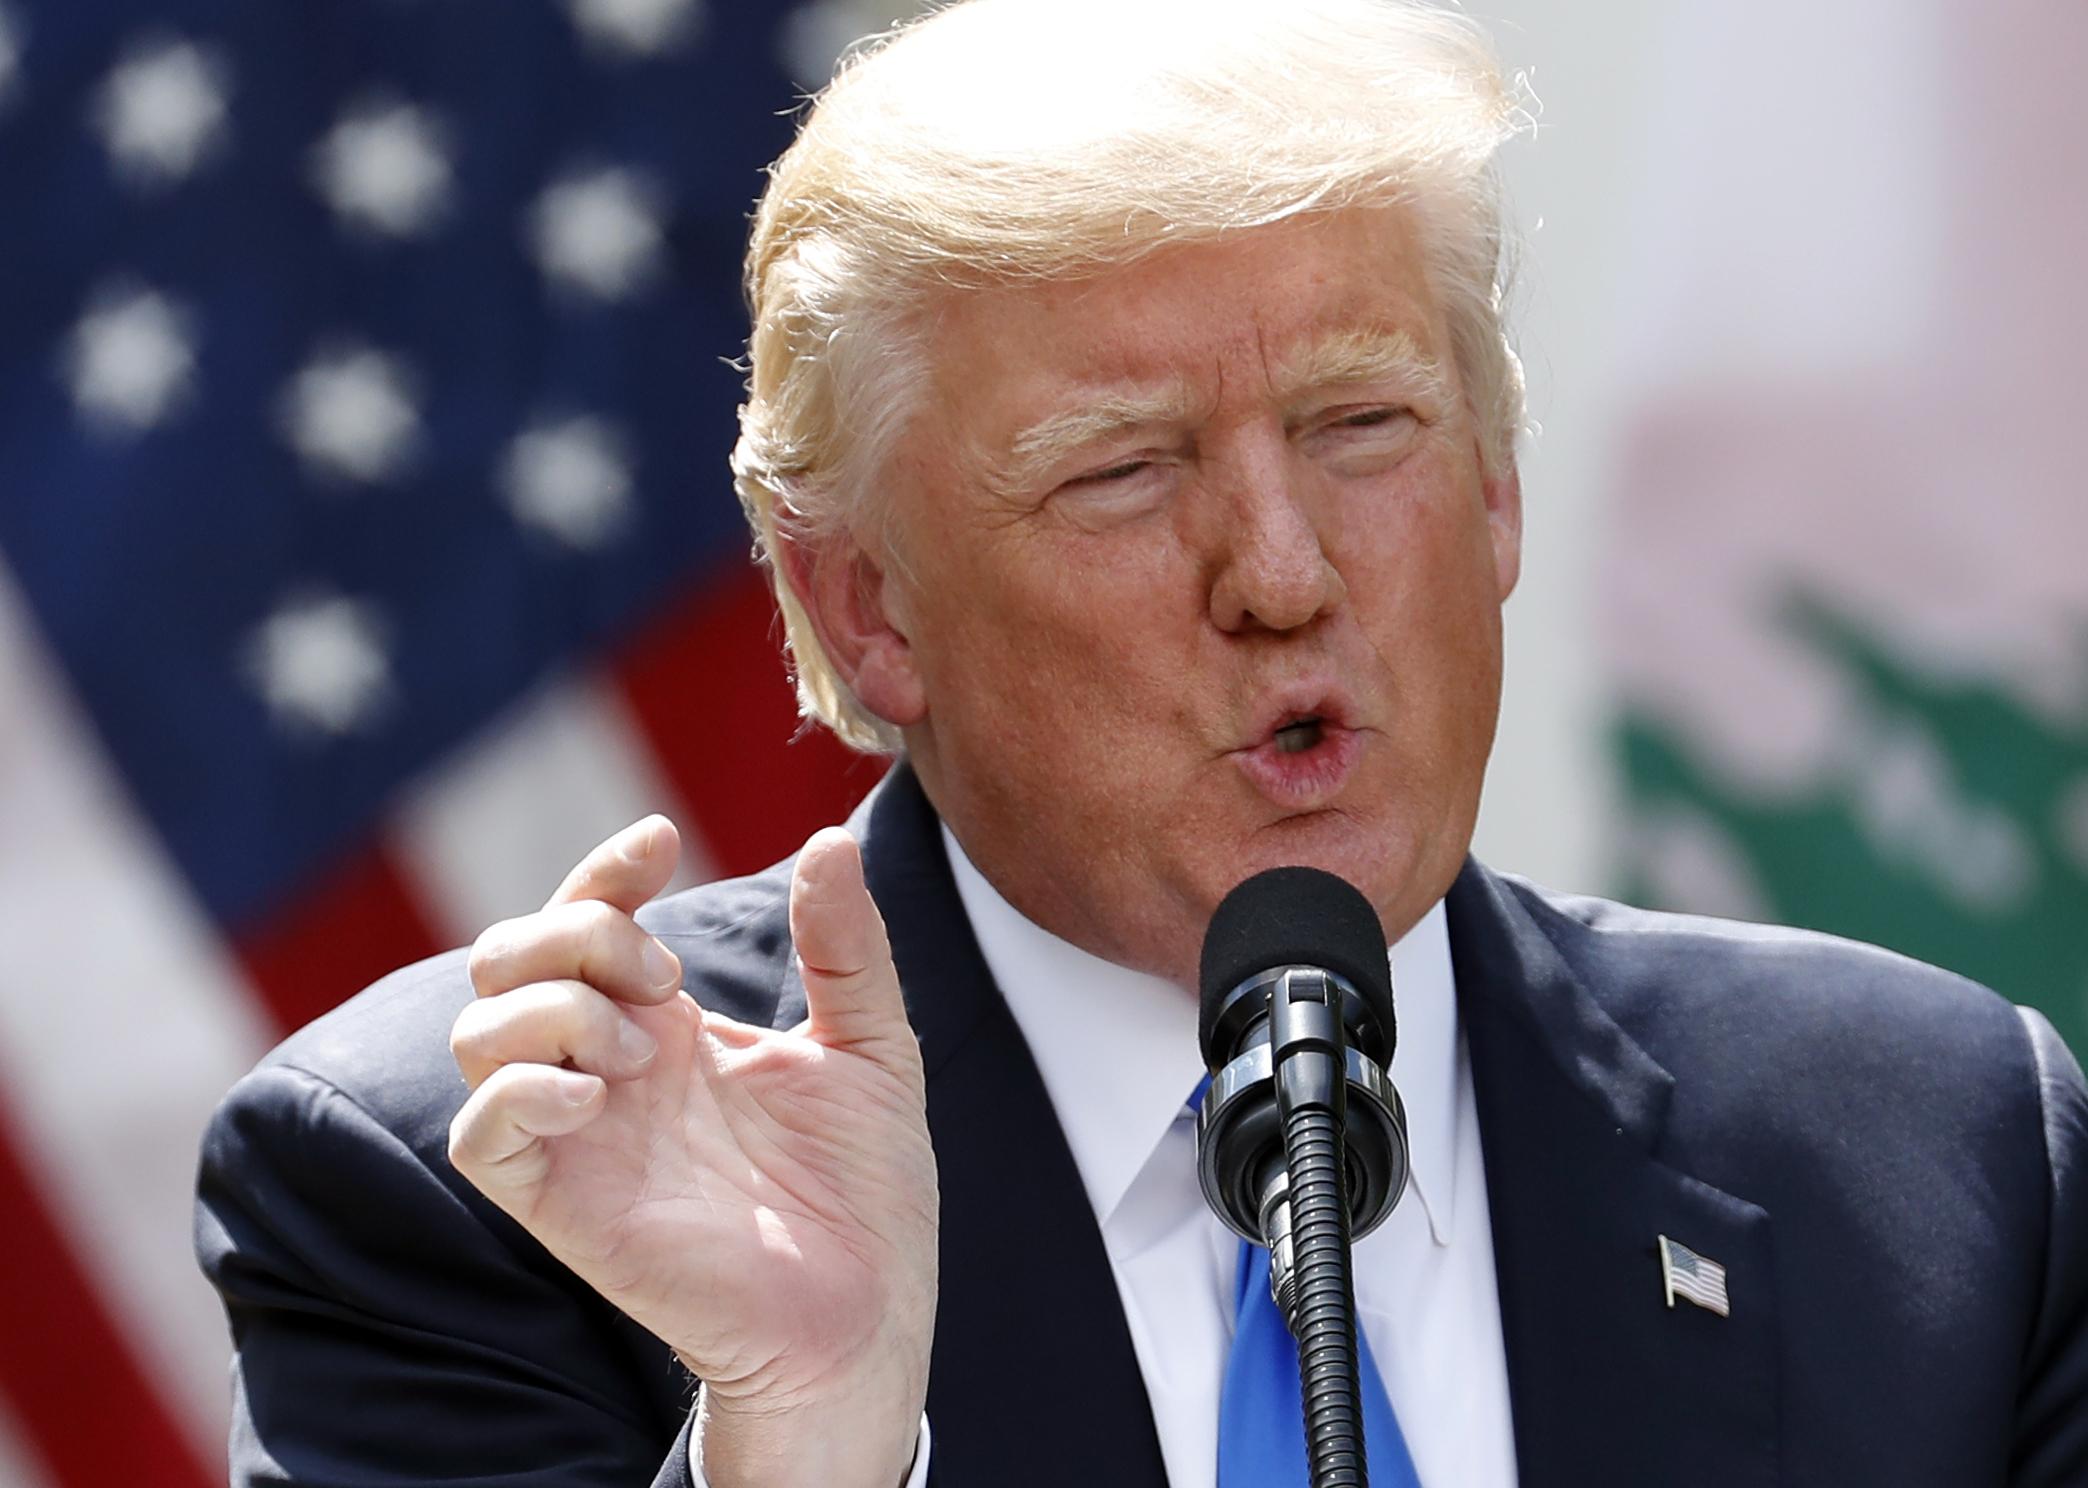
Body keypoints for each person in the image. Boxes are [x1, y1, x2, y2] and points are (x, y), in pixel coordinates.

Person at [195, 1, 2088, 1485]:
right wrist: (803, 1442)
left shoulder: (1932, 1158)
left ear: (1502, 493)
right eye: (1123, 473)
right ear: (869, 605)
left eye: (1364, 426)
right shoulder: (486, 1196)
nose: (1280, 573)